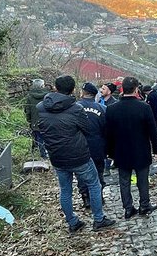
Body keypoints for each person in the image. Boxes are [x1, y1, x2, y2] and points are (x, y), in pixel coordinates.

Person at [37, 75, 115, 233]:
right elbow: (87, 128)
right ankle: (98, 219)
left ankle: (72, 222)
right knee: (94, 184)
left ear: (56, 88)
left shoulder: (41, 107)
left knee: (65, 190)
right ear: (72, 90)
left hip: (57, 156)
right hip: (79, 155)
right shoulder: (75, 108)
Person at [105, 77, 157, 219]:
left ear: (122, 89)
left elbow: (108, 133)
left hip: (121, 151)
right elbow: (152, 131)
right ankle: (144, 205)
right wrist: (156, 149)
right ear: (136, 89)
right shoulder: (144, 107)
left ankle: (128, 208)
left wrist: (109, 152)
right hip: (140, 150)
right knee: (142, 180)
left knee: (124, 181)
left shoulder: (111, 109)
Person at [76, 82, 108, 209]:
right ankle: (98, 196)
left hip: (80, 146)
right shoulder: (102, 109)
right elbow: (107, 130)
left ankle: (86, 197)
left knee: (82, 173)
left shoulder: (75, 107)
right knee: (99, 172)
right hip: (98, 146)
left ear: (83, 93)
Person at [24, 79, 49, 159]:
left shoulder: (29, 96)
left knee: (39, 138)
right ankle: (49, 154)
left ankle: (43, 155)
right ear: (42, 86)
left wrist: (29, 121)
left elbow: (27, 111)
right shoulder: (48, 95)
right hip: (47, 121)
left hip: (35, 122)